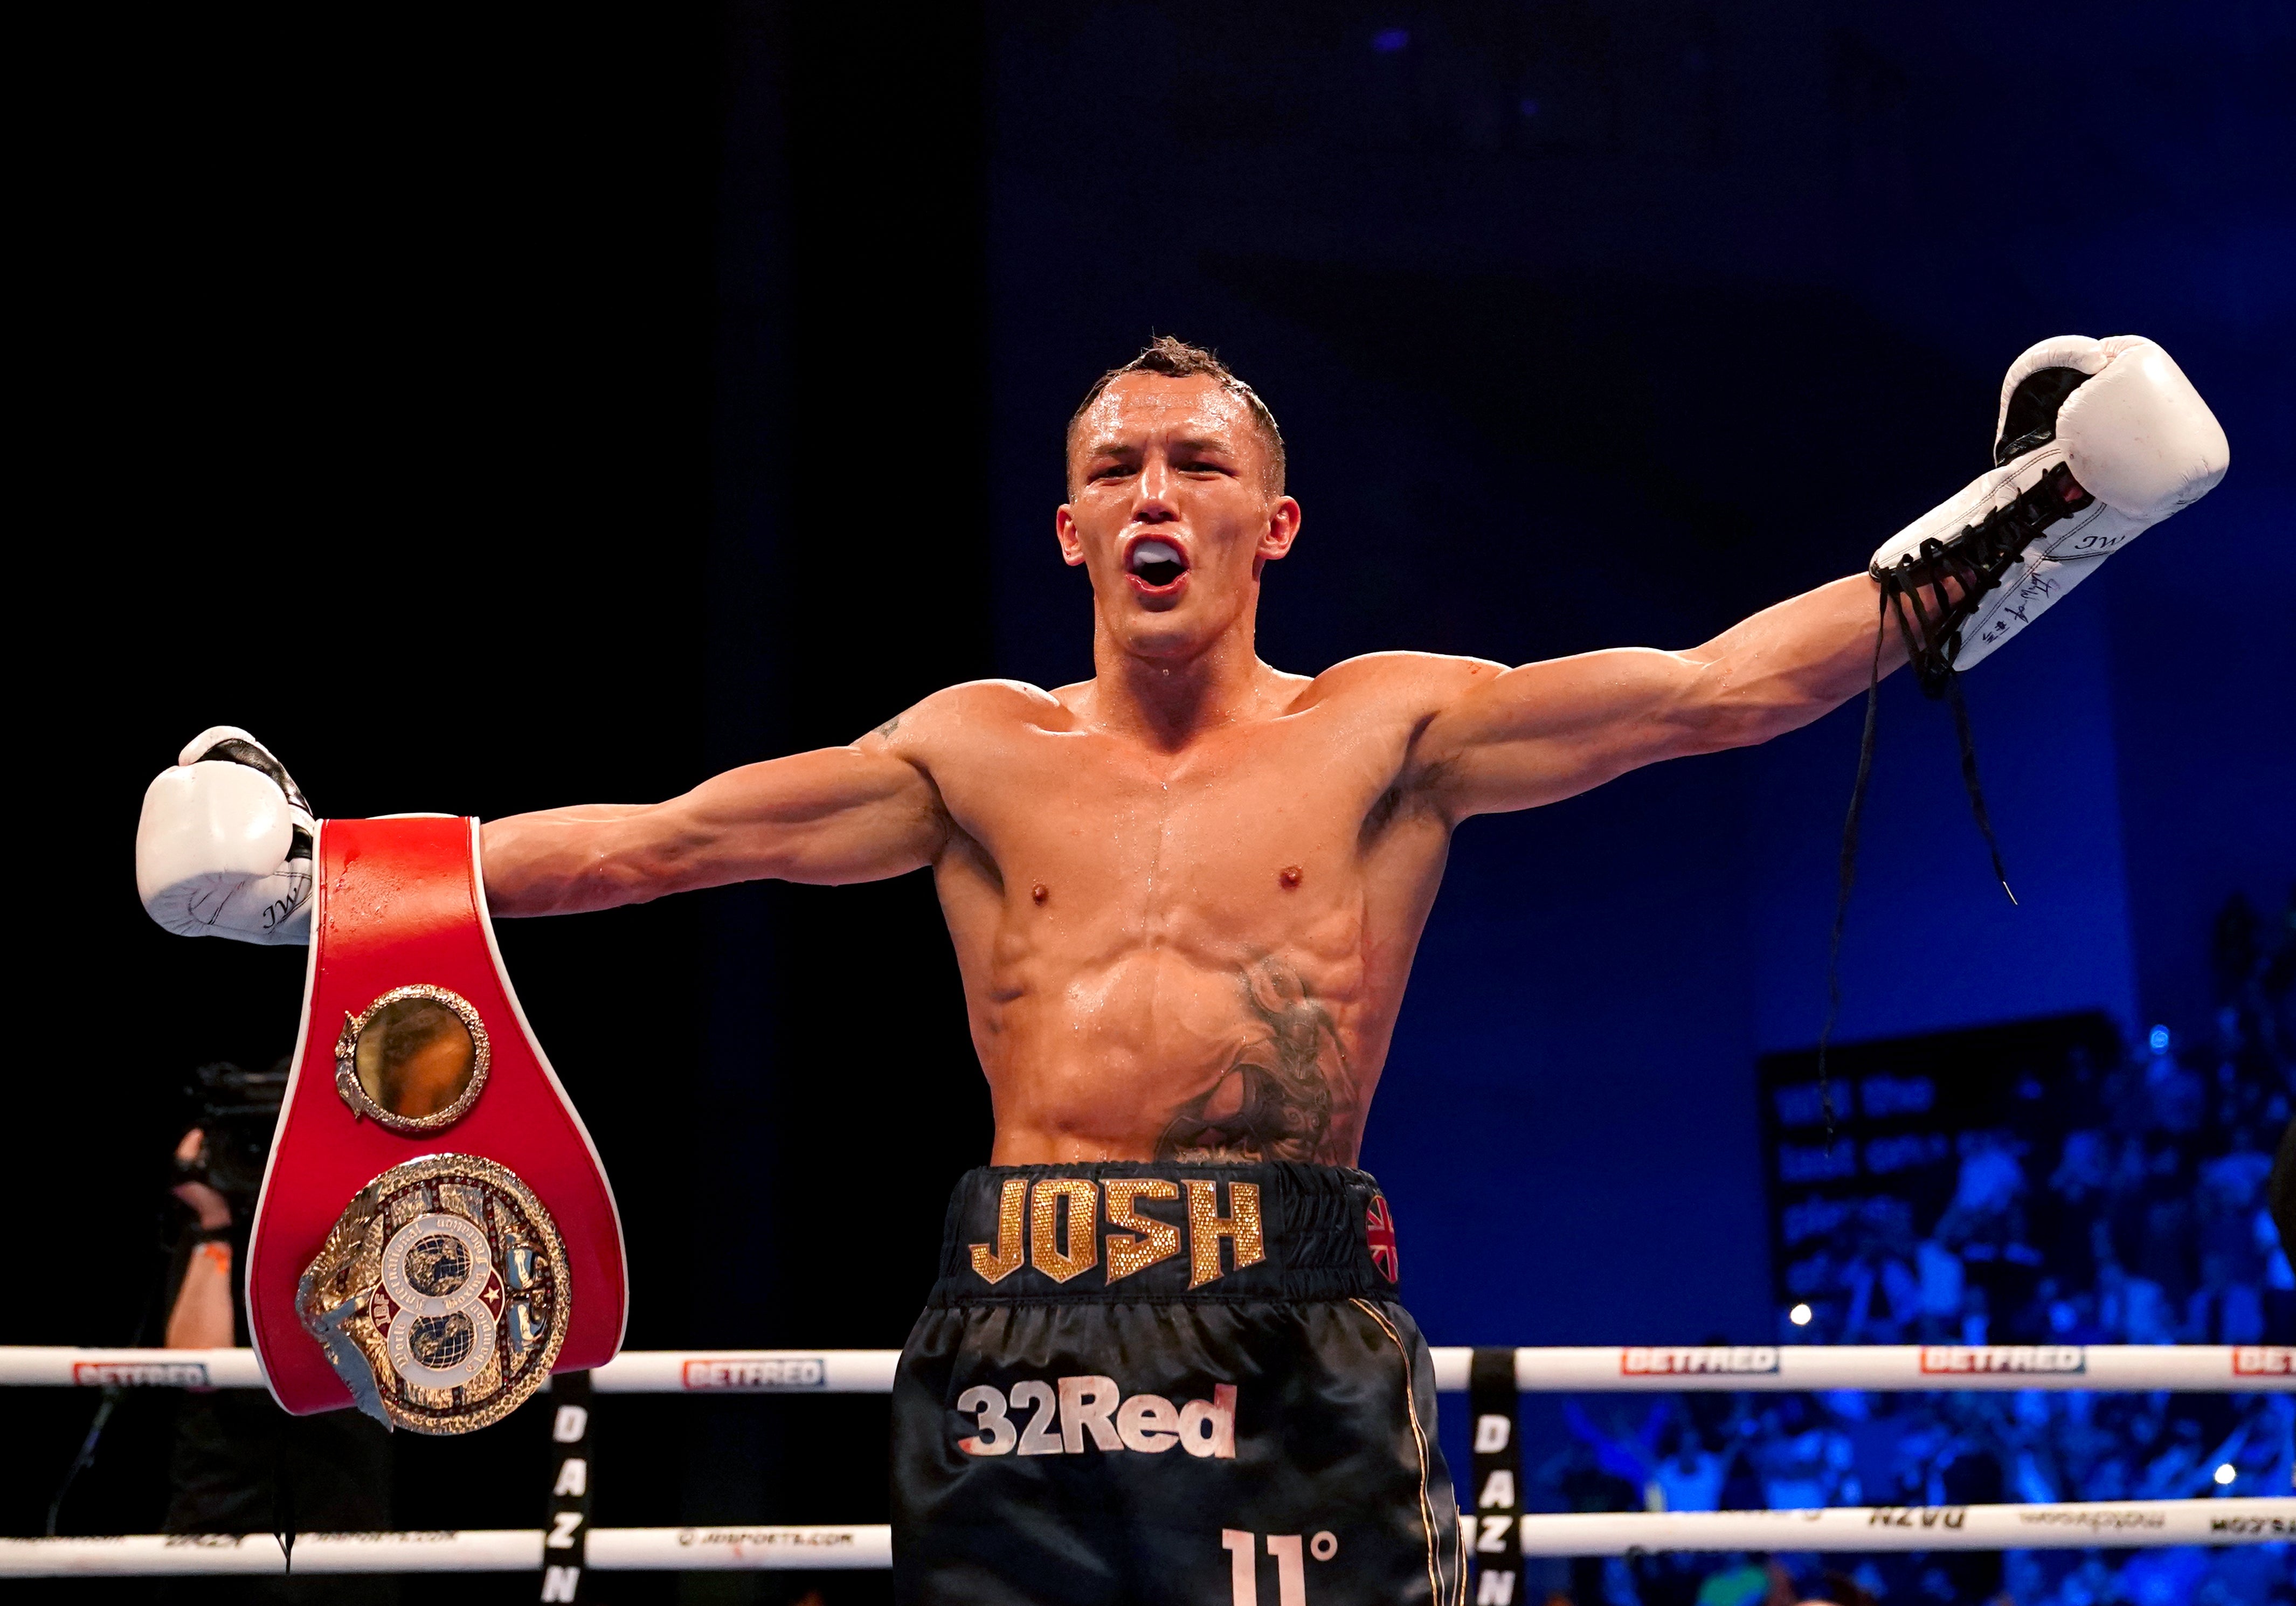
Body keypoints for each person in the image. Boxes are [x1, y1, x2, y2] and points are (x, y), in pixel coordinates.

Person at [135, 334, 2225, 1605]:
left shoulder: (1398, 727)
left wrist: (2046, 506)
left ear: (1275, 523)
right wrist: (321, 883)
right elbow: (672, 841)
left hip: (1297, 1320)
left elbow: (1713, 692)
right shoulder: (965, 751)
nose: (1156, 489)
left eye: (1197, 462)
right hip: (1021, 1311)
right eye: (1119, 466)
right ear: (1067, 528)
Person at [160, 1063, 395, 1605]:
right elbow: (195, 1368)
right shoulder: (205, 1235)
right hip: (221, 1493)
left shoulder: (359, 1226)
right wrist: (213, 1223)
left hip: (339, 1493)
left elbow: (379, 1351)